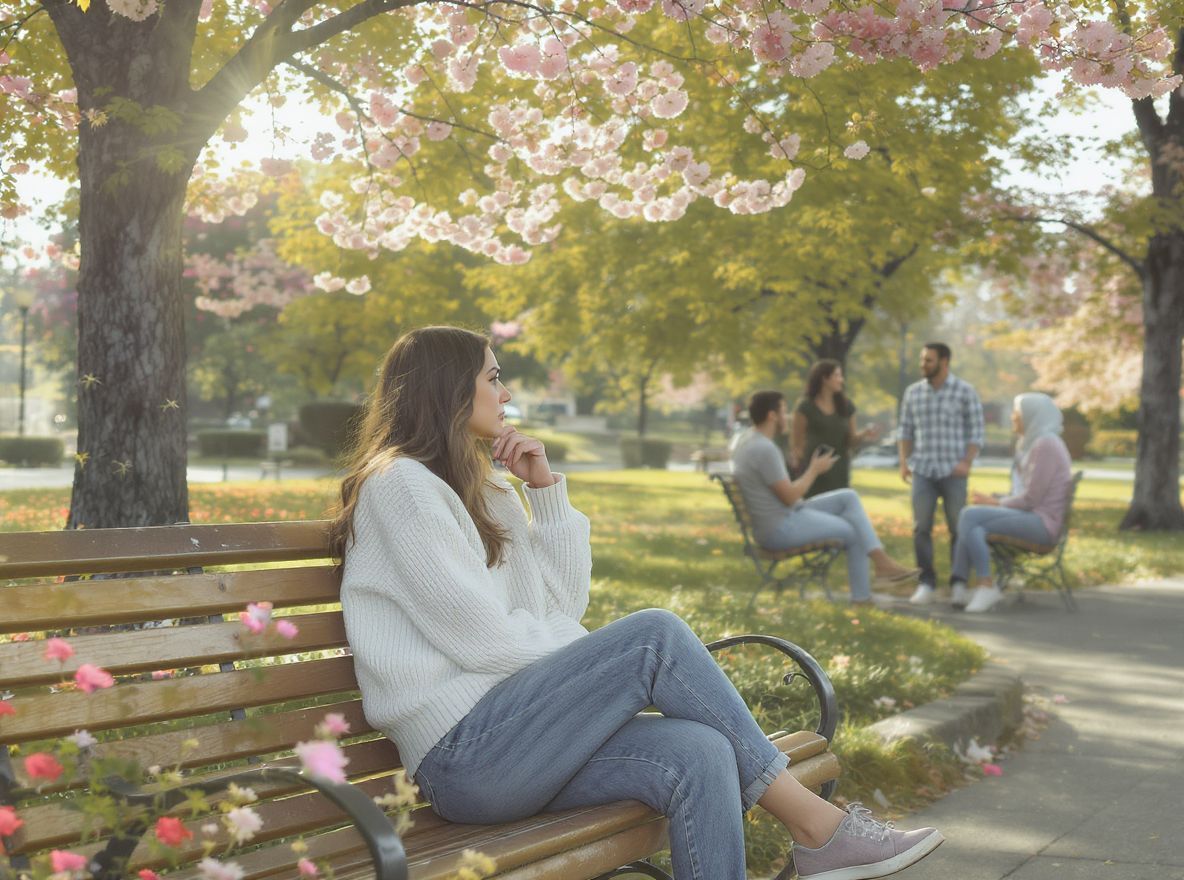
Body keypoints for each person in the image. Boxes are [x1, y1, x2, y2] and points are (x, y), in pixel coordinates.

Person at [333, 326, 943, 880]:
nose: (507, 391)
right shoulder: (401, 487)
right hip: (466, 757)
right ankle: (816, 826)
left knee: (701, 754)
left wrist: (543, 495)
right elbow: (485, 641)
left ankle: (815, 832)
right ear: (447, 388)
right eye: (493, 376)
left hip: (526, 735)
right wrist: (607, 659)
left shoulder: (485, 486)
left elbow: (562, 606)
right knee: (654, 635)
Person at [732, 390, 920, 605]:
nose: (788, 417)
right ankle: (863, 597)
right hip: (779, 528)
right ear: (772, 416)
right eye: (784, 411)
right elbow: (789, 497)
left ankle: (881, 562)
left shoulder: (746, 440)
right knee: (853, 529)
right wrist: (814, 469)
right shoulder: (764, 448)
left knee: (848, 497)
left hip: (780, 517)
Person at [951, 392, 1074, 613]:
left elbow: (1031, 499)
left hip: (1042, 525)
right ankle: (962, 587)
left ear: (1031, 416)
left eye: (1017, 413)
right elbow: (1025, 492)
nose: (1012, 418)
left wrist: (995, 503)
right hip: (1032, 517)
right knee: (972, 524)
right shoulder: (1032, 443)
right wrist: (997, 499)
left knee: (969, 516)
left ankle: (982, 585)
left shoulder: (1046, 444)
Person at [898, 342, 985, 609]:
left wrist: (966, 462)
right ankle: (926, 583)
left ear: (944, 361)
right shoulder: (913, 393)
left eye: (929, 360)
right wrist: (904, 462)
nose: (923, 365)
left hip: (953, 471)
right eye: (923, 360)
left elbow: (977, 432)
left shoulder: (964, 391)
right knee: (920, 528)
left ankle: (959, 583)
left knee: (959, 528)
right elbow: (905, 431)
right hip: (923, 469)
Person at [791, 359, 879, 497]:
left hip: (839, 471)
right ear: (825, 378)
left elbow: (851, 441)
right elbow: (796, 444)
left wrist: (864, 434)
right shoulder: (805, 407)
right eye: (837, 375)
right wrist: (804, 468)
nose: (841, 380)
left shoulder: (846, 406)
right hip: (812, 471)